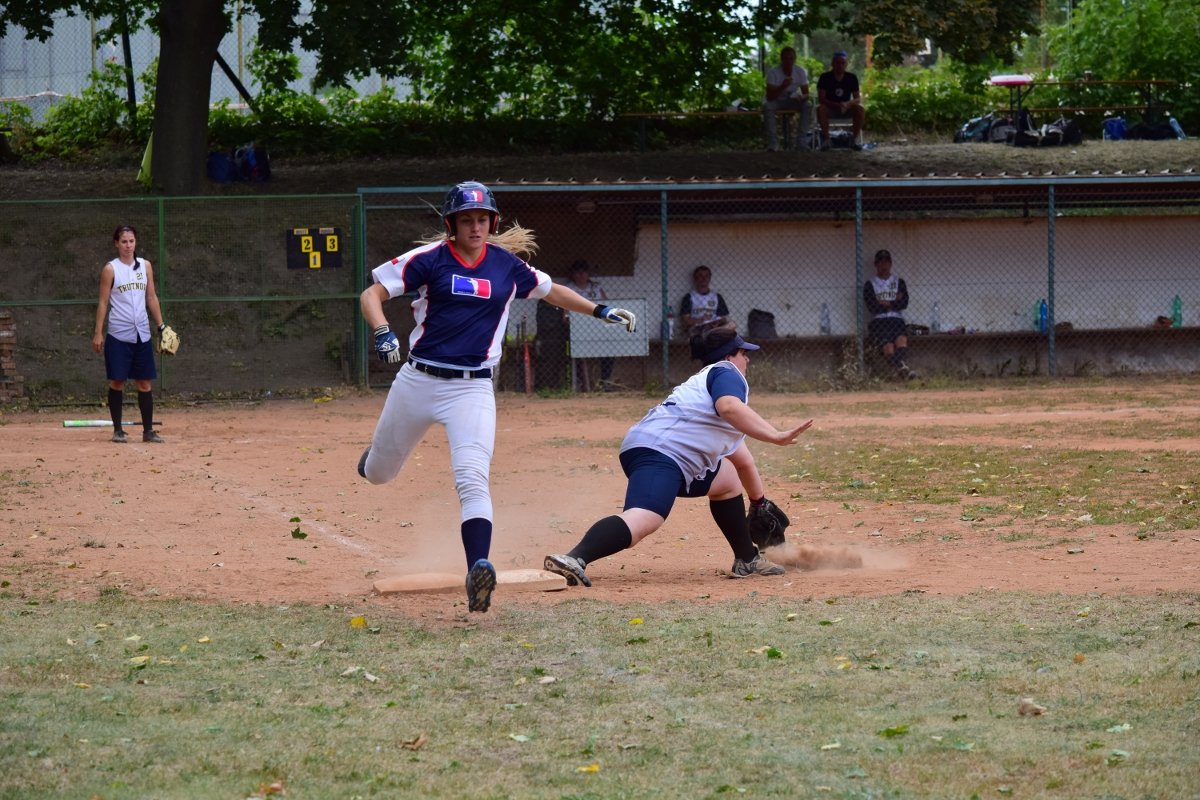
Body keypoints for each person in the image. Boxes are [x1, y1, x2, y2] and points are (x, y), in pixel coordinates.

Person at [358, 181, 637, 613]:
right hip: (419, 382)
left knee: (472, 477)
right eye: (466, 219)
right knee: (379, 473)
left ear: (493, 223)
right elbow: (371, 293)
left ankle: (477, 571)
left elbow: (552, 291)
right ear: (450, 224)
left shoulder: (506, 266)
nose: (475, 226)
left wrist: (600, 311)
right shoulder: (428, 260)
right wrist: (381, 330)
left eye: (482, 219)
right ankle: (373, 456)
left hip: (472, 388)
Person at [544, 322, 813, 588]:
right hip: (661, 453)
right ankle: (574, 558)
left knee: (727, 480)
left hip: (653, 449)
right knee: (646, 517)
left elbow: (743, 463)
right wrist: (775, 435)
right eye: (743, 353)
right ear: (728, 356)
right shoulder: (727, 372)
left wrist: (758, 502)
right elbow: (729, 407)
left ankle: (747, 558)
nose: (747, 359)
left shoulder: (706, 390)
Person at [92, 225, 168, 444]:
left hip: (141, 333)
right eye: (124, 241)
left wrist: (161, 326)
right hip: (118, 333)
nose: (128, 245)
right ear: (116, 243)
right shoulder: (110, 269)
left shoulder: (145, 266)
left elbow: (151, 297)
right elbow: (103, 301)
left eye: (131, 241)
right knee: (117, 381)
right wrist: (98, 332)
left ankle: (148, 431)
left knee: (144, 383)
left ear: (136, 242)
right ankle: (118, 430)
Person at [863, 249, 916, 379]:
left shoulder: (899, 282)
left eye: (886, 262)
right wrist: (893, 302)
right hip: (878, 321)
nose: (884, 265)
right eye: (880, 262)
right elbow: (872, 307)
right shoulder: (870, 284)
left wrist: (883, 303)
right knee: (888, 347)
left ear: (891, 264)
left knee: (901, 341)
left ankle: (900, 369)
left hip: (896, 319)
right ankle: (902, 368)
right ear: (876, 264)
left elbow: (903, 304)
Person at [564, 259, 615, 390]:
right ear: (573, 274)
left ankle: (605, 381)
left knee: (610, 347)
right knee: (573, 350)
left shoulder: (596, 287)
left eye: (584, 272)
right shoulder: (569, 288)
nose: (581, 275)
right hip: (576, 327)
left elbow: (606, 307)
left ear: (588, 274)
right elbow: (565, 311)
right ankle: (581, 382)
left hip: (597, 327)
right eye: (578, 272)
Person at [762, 46, 811, 151]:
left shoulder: (800, 71)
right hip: (776, 100)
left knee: (807, 105)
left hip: (793, 100)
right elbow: (770, 97)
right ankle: (773, 144)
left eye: (791, 58)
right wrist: (782, 86)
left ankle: (802, 142)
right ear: (781, 59)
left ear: (795, 59)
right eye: (786, 58)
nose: (789, 61)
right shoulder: (773, 73)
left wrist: (801, 97)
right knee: (767, 106)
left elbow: (807, 93)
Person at [816, 50, 865, 151]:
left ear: (846, 65)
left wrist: (847, 104)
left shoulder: (852, 77)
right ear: (833, 64)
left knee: (860, 109)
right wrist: (838, 105)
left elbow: (857, 98)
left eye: (843, 63)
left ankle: (853, 140)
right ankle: (826, 140)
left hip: (846, 109)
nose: (840, 65)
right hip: (830, 108)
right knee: (820, 109)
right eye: (837, 63)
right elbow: (821, 98)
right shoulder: (825, 77)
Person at [679, 265, 729, 336]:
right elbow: (685, 320)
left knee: (731, 325)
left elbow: (723, 319)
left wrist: (713, 322)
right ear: (695, 278)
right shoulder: (689, 297)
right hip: (697, 328)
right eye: (700, 276)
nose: (704, 278)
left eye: (707, 276)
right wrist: (701, 320)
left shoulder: (716, 297)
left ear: (710, 278)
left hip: (713, 328)